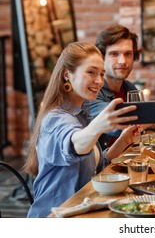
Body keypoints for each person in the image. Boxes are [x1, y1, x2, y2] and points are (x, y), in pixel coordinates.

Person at [23, 42, 139, 217]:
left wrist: (123, 141)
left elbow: (94, 167)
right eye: (91, 72)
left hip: (83, 211)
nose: (99, 81)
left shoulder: (82, 112)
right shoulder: (55, 118)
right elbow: (74, 144)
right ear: (67, 75)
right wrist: (97, 126)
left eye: (101, 74)